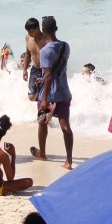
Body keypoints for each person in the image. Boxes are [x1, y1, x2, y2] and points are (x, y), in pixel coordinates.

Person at [32, 16, 73, 170]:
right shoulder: (66, 46)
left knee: (42, 123)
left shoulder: (45, 51)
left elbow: (48, 75)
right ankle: (68, 160)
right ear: (56, 29)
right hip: (64, 93)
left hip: (48, 96)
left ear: (43, 31)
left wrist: (44, 99)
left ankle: (42, 153)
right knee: (65, 127)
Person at [22, 17, 45, 102]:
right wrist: (24, 69)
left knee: (47, 94)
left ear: (37, 28)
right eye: (27, 32)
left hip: (46, 70)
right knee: (31, 96)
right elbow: (28, 53)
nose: (29, 33)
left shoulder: (45, 39)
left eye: (31, 31)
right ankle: (41, 102)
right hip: (35, 69)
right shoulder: (28, 38)